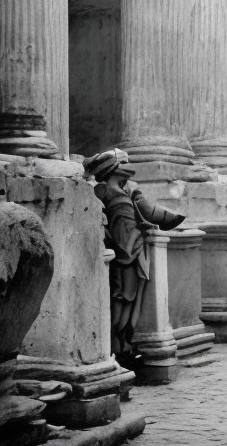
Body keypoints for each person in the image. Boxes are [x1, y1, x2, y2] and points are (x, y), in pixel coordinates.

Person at [83, 148, 185, 366]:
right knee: (123, 299)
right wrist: (133, 242)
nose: (128, 167)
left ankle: (124, 347)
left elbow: (140, 216)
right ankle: (119, 349)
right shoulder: (107, 192)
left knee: (129, 302)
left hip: (132, 253)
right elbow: (121, 234)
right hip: (126, 256)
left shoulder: (120, 191)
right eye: (123, 163)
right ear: (113, 169)